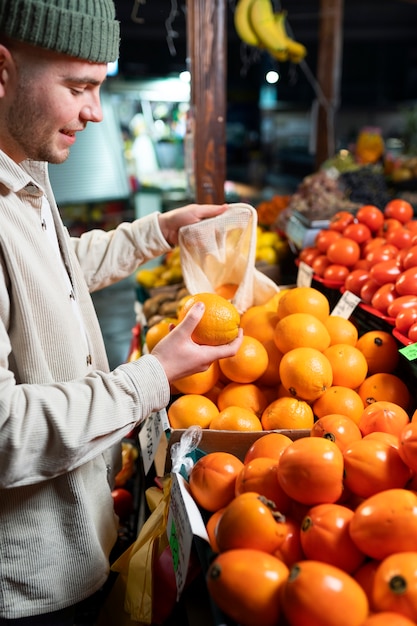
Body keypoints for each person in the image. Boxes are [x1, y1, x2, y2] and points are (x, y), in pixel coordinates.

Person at [0, 1, 243, 624]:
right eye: (78, 87)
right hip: (26, 590)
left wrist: (160, 231)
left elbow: (53, 269)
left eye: (99, 86)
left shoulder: (22, 172)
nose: (94, 111)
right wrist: (150, 377)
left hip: (76, 544)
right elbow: (5, 433)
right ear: (2, 71)